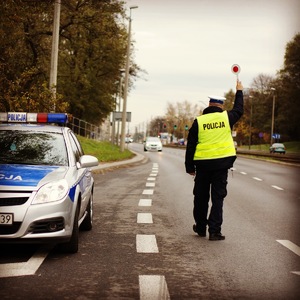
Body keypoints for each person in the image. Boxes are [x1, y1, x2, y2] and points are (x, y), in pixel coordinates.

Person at [185, 80, 244, 240]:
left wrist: (189, 167)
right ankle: (214, 231)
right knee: (218, 198)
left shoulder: (199, 121)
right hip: (221, 166)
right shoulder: (227, 118)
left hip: (203, 166)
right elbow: (239, 110)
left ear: (209, 105)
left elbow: (190, 145)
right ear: (221, 106)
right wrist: (239, 91)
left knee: (200, 197)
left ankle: (201, 227)